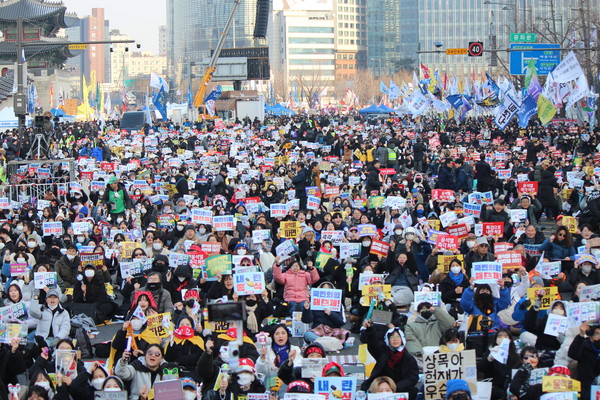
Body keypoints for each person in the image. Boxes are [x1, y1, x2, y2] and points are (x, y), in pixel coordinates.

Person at [360, 324, 419, 400]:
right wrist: (370, 330)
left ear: (402, 339)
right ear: (388, 340)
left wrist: (395, 387)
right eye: (392, 337)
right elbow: (373, 345)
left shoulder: (409, 358)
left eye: (398, 337)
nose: (395, 339)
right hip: (380, 385)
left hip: (399, 388)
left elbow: (413, 377)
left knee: (413, 391)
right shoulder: (382, 352)